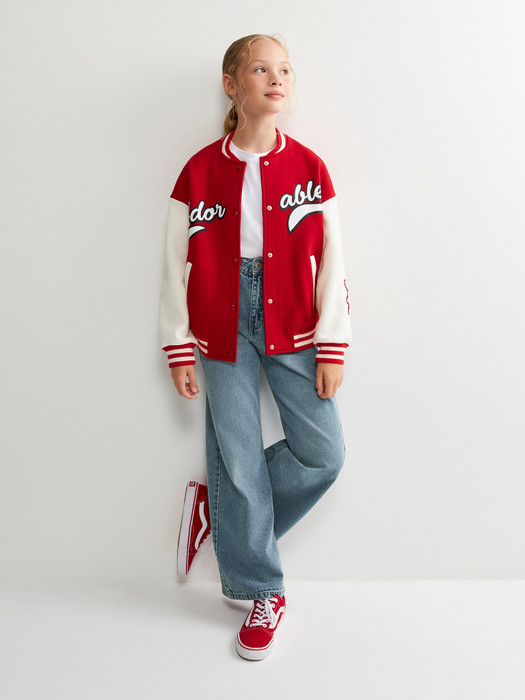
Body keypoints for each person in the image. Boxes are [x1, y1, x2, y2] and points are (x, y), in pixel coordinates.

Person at [159, 33, 352, 661]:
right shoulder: (198, 170)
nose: (277, 78)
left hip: (293, 319)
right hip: (219, 322)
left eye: (285, 70)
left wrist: (332, 343)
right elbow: (174, 264)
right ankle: (262, 589)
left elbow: (332, 262)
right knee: (238, 455)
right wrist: (177, 343)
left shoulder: (310, 169)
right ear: (232, 85)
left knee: (324, 453)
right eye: (261, 69)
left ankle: (216, 511)